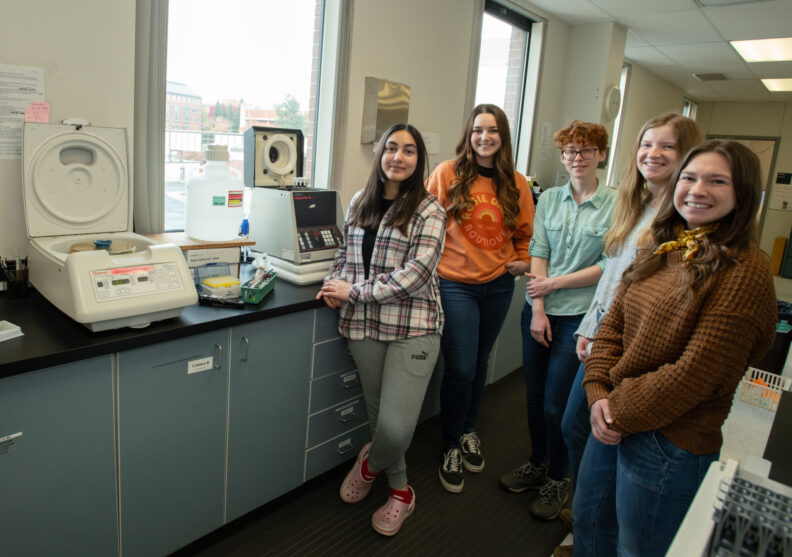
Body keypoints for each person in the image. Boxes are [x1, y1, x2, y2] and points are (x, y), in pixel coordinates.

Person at [574, 140, 777, 557]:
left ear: (742, 192)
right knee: (590, 524)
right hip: (613, 416)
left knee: (638, 549)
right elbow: (613, 323)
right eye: (690, 177)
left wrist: (614, 409)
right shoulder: (664, 246)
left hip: (668, 443)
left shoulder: (745, 270)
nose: (698, 189)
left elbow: (698, 373)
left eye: (717, 181)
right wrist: (597, 391)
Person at [551, 114, 701, 556]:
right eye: (646, 144)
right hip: (601, 340)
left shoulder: (680, 219)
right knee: (576, 426)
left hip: (629, 353)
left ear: (687, 155)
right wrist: (588, 328)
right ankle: (587, 515)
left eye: (667, 147)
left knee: (591, 432)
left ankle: (592, 522)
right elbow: (614, 277)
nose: (652, 153)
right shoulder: (637, 205)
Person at [317, 123, 446, 536]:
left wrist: (353, 291)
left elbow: (417, 276)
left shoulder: (430, 210)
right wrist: (334, 285)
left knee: (395, 427)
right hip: (363, 325)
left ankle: (369, 464)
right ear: (380, 153)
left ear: (418, 159)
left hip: (413, 326)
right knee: (379, 417)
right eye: (392, 148)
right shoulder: (360, 200)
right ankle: (401, 492)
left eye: (409, 151)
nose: (398, 157)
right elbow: (344, 252)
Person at [499, 120, 616, 521]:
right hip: (540, 309)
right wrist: (537, 307)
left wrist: (553, 285)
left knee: (556, 405)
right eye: (569, 152)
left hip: (580, 317)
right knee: (532, 398)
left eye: (585, 150)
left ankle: (558, 476)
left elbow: (608, 264)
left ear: (600, 153)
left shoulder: (616, 205)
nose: (576, 158)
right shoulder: (549, 198)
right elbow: (539, 249)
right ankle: (537, 462)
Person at [426, 104, 534, 493]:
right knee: (461, 368)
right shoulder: (447, 174)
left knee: (481, 359)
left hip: (498, 284)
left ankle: (469, 429)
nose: (484, 137)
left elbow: (524, 233)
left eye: (492, 130)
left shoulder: (515, 183)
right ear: (468, 134)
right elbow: (424, 224)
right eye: (477, 130)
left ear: (503, 136)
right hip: (455, 284)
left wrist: (522, 262)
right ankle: (451, 443)